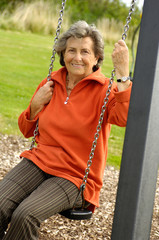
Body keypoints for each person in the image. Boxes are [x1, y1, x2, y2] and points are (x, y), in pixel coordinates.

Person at [0, 20, 132, 239]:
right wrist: (34, 106)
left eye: (85, 52)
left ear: (97, 58)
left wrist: (123, 74)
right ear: (63, 53)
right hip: (39, 161)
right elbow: (26, 130)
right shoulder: (51, 83)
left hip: (75, 176)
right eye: (71, 50)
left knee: (26, 215)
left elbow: (125, 117)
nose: (77, 57)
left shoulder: (104, 90)